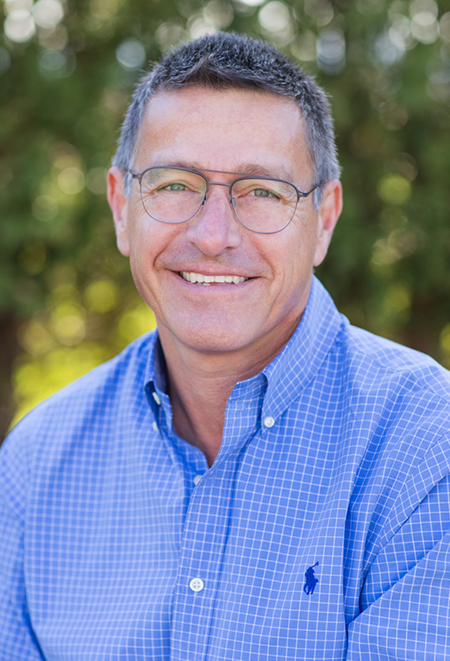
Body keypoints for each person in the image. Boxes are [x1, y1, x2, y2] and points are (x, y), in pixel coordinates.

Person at [1, 31, 450, 661]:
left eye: (262, 191)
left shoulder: (426, 447)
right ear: (120, 205)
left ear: (323, 219)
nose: (212, 236)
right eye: (175, 184)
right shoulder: (36, 465)